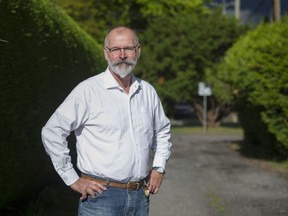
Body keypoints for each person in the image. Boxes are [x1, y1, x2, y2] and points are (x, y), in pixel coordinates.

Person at [41, 26, 172, 216]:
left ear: (138, 51)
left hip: (139, 197)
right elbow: (52, 132)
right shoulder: (88, 91)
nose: (122, 55)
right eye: (115, 49)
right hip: (100, 198)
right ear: (106, 53)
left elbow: (162, 130)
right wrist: (72, 179)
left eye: (127, 48)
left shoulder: (147, 92)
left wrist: (159, 167)